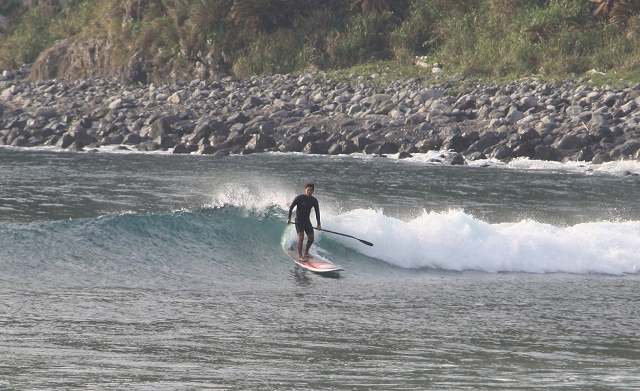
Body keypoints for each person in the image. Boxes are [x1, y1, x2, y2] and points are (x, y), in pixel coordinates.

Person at [287, 182, 322, 261]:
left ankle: (306, 252)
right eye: (307, 190)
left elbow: (317, 213)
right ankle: (300, 256)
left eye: (310, 190)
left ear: (313, 191)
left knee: (311, 239)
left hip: (306, 221)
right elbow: (291, 207)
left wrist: (319, 224)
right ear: (305, 190)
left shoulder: (314, 200)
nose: (309, 192)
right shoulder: (299, 198)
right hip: (299, 220)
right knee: (301, 237)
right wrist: (289, 218)